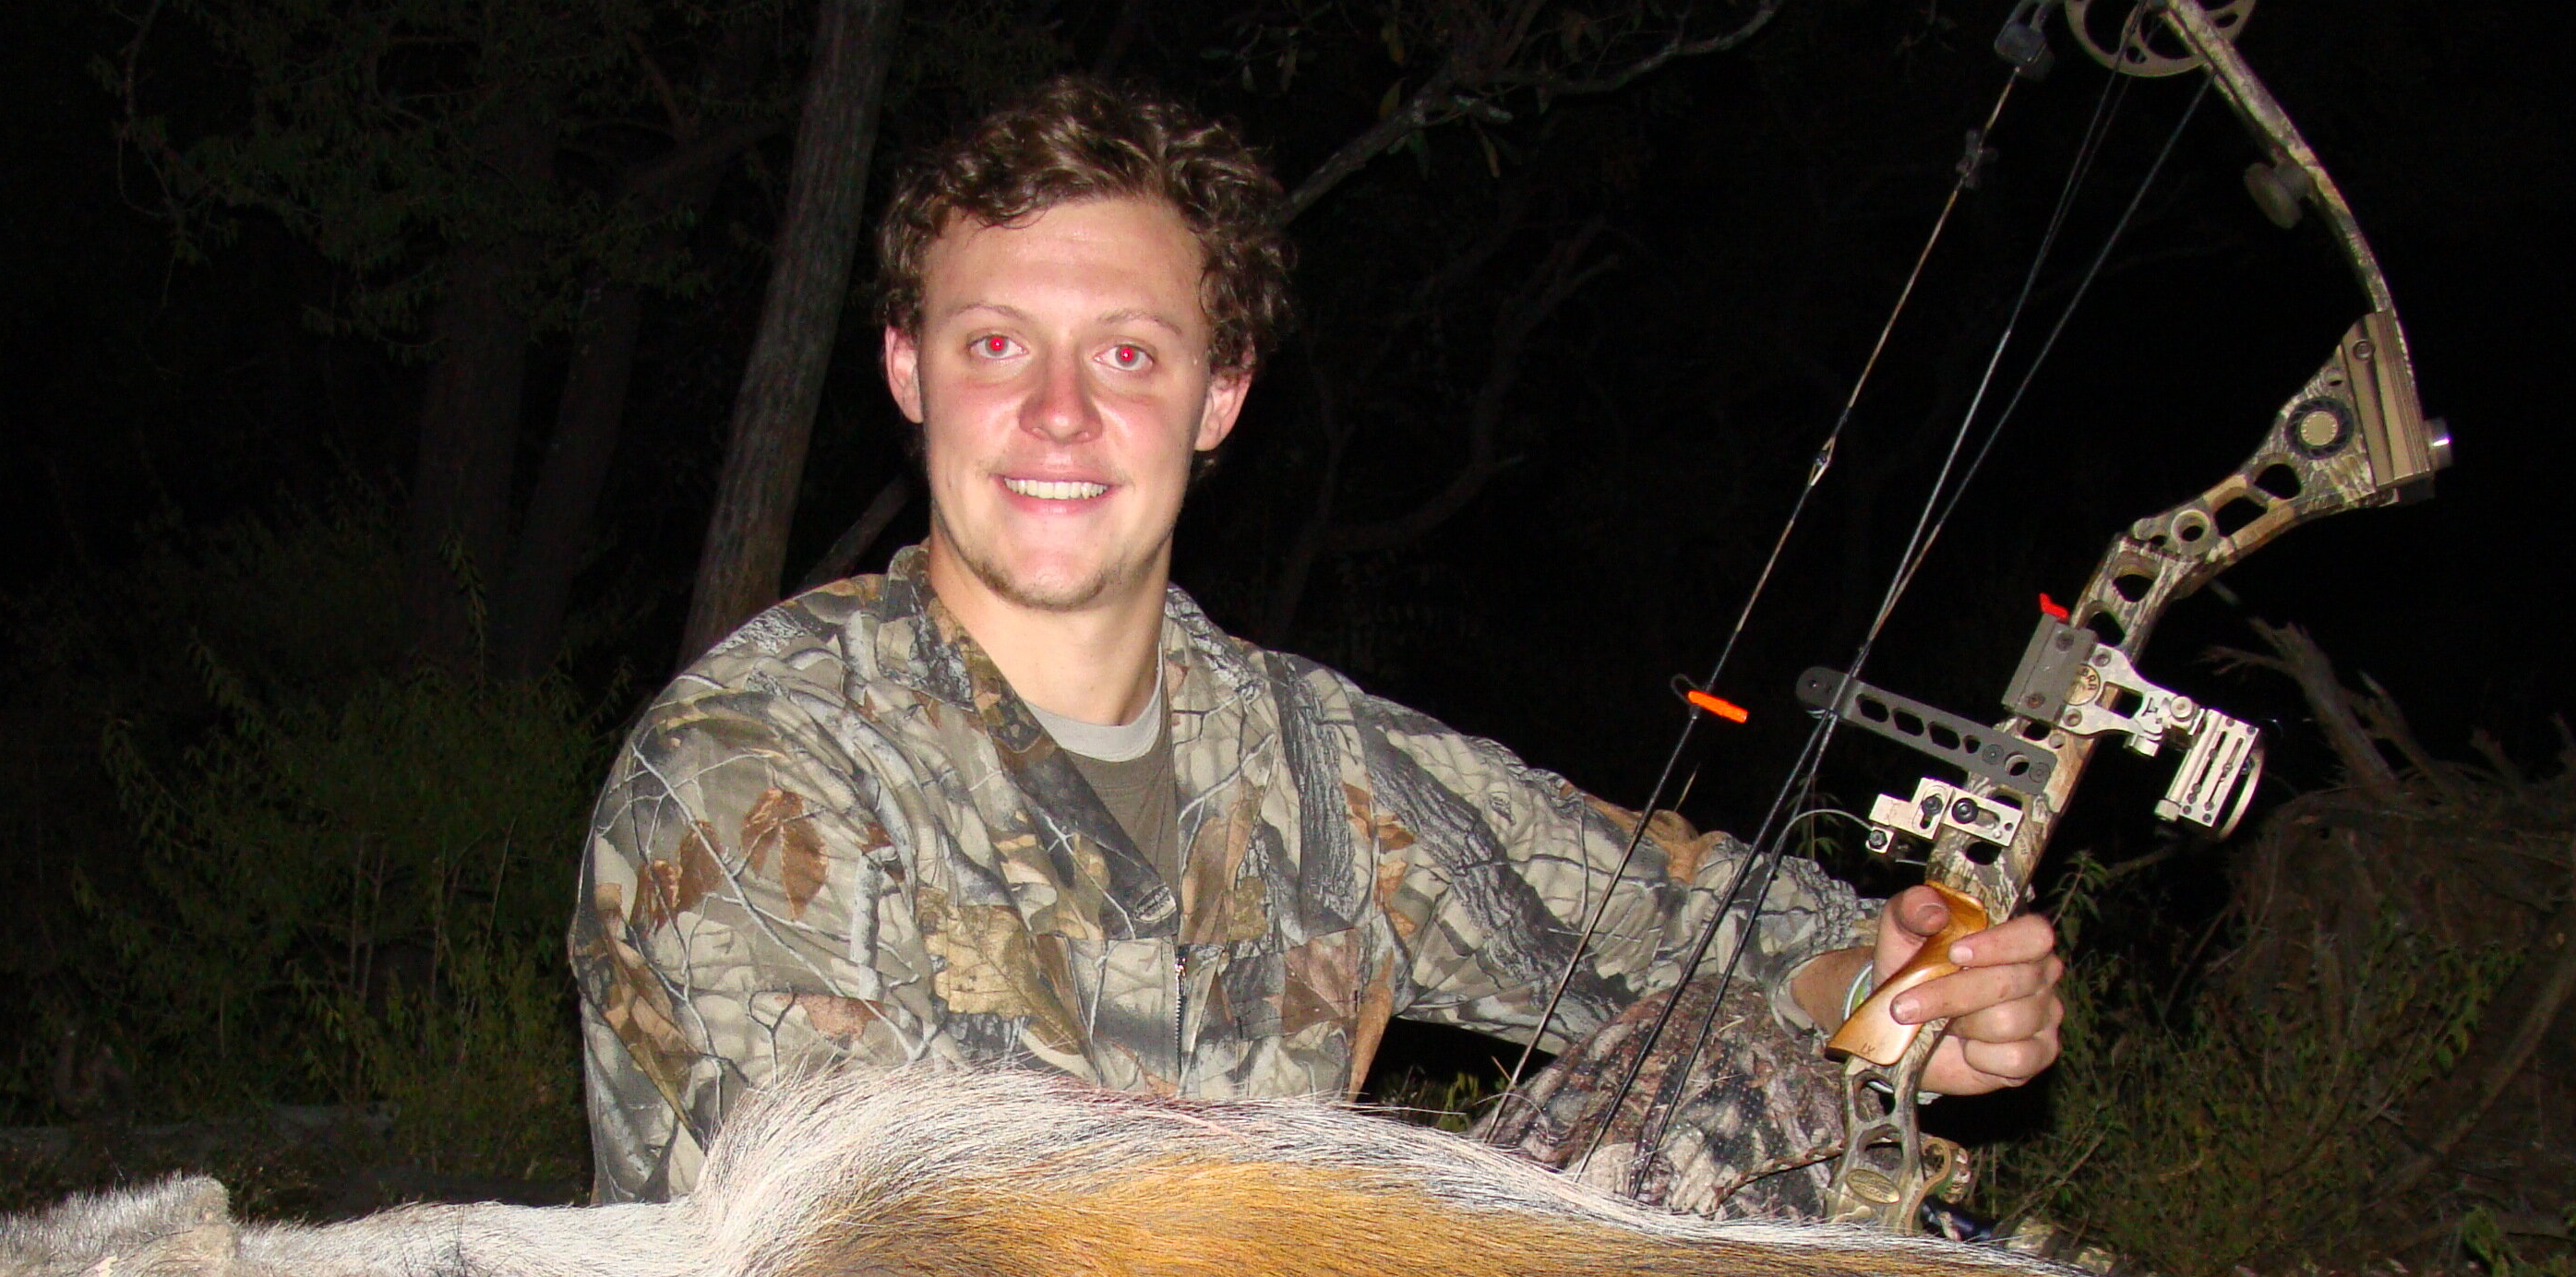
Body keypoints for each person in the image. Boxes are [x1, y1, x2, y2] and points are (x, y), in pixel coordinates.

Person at [571, 77, 2063, 1208]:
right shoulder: (747, 767)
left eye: (1130, 355)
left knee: (1738, 1066)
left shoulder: (1302, 757)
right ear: (910, 371)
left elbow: (1675, 917)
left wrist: (1897, 986)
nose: (1061, 415)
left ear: (1219, 396)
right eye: (996, 344)